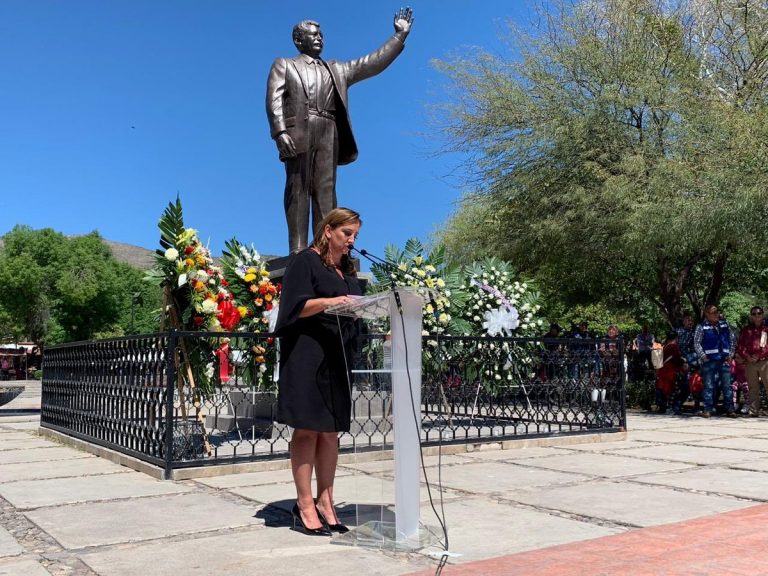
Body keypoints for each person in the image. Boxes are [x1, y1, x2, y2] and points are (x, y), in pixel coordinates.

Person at [266, 9, 413, 254]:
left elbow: (371, 63)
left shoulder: (336, 69)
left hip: (328, 130)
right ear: (298, 40)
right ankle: (299, 250)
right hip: (298, 131)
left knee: (326, 192)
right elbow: (273, 99)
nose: (319, 38)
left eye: (321, 34)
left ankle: (324, 250)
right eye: (313, 35)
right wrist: (280, 132)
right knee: (298, 188)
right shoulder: (285, 65)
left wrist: (399, 36)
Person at [273, 207, 363, 536]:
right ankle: (305, 504)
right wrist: (330, 302)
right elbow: (295, 307)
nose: (351, 241)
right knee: (308, 430)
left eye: (355, 236)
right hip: (308, 357)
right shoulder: (305, 261)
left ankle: (327, 502)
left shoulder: (347, 270)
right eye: (346, 234)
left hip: (337, 358)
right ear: (328, 231)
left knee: (329, 432)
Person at [693, 304, 736, 418]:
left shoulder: (725, 324)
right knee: (709, 386)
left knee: (727, 386)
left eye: (717, 311)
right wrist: (703, 356)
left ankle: (730, 409)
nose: (716, 314)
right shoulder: (701, 326)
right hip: (709, 361)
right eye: (713, 312)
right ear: (707, 314)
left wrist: (731, 354)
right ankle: (707, 409)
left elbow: (732, 339)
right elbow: (696, 343)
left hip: (724, 360)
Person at [736, 306, 768, 417]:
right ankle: (753, 411)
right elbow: (740, 346)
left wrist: (759, 356)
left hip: (764, 361)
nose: (757, 315)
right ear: (751, 316)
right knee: (752, 387)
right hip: (749, 362)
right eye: (754, 314)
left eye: (759, 313)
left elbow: (766, 346)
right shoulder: (746, 330)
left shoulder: (766, 330)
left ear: (763, 314)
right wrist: (747, 356)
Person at [655, 332, 686, 413]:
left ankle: (665, 408)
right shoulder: (673, 346)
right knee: (672, 390)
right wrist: (683, 362)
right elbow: (676, 358)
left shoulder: (665, 346)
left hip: (663, 371)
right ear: (675, 338)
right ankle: (671, 408)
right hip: (670, 371)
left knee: (665, 391)